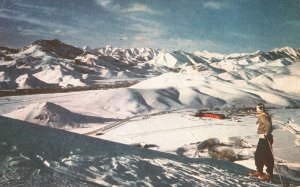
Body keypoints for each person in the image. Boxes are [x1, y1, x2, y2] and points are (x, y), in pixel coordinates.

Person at [250, 103, 274, 181]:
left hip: (265, 138)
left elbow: (268, 125)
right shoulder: (263, 115)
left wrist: (266, 133)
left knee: (264, 156)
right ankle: (261, 171)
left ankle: (267, 174)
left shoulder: (263, 116)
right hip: (264, 137)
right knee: (261, 155)